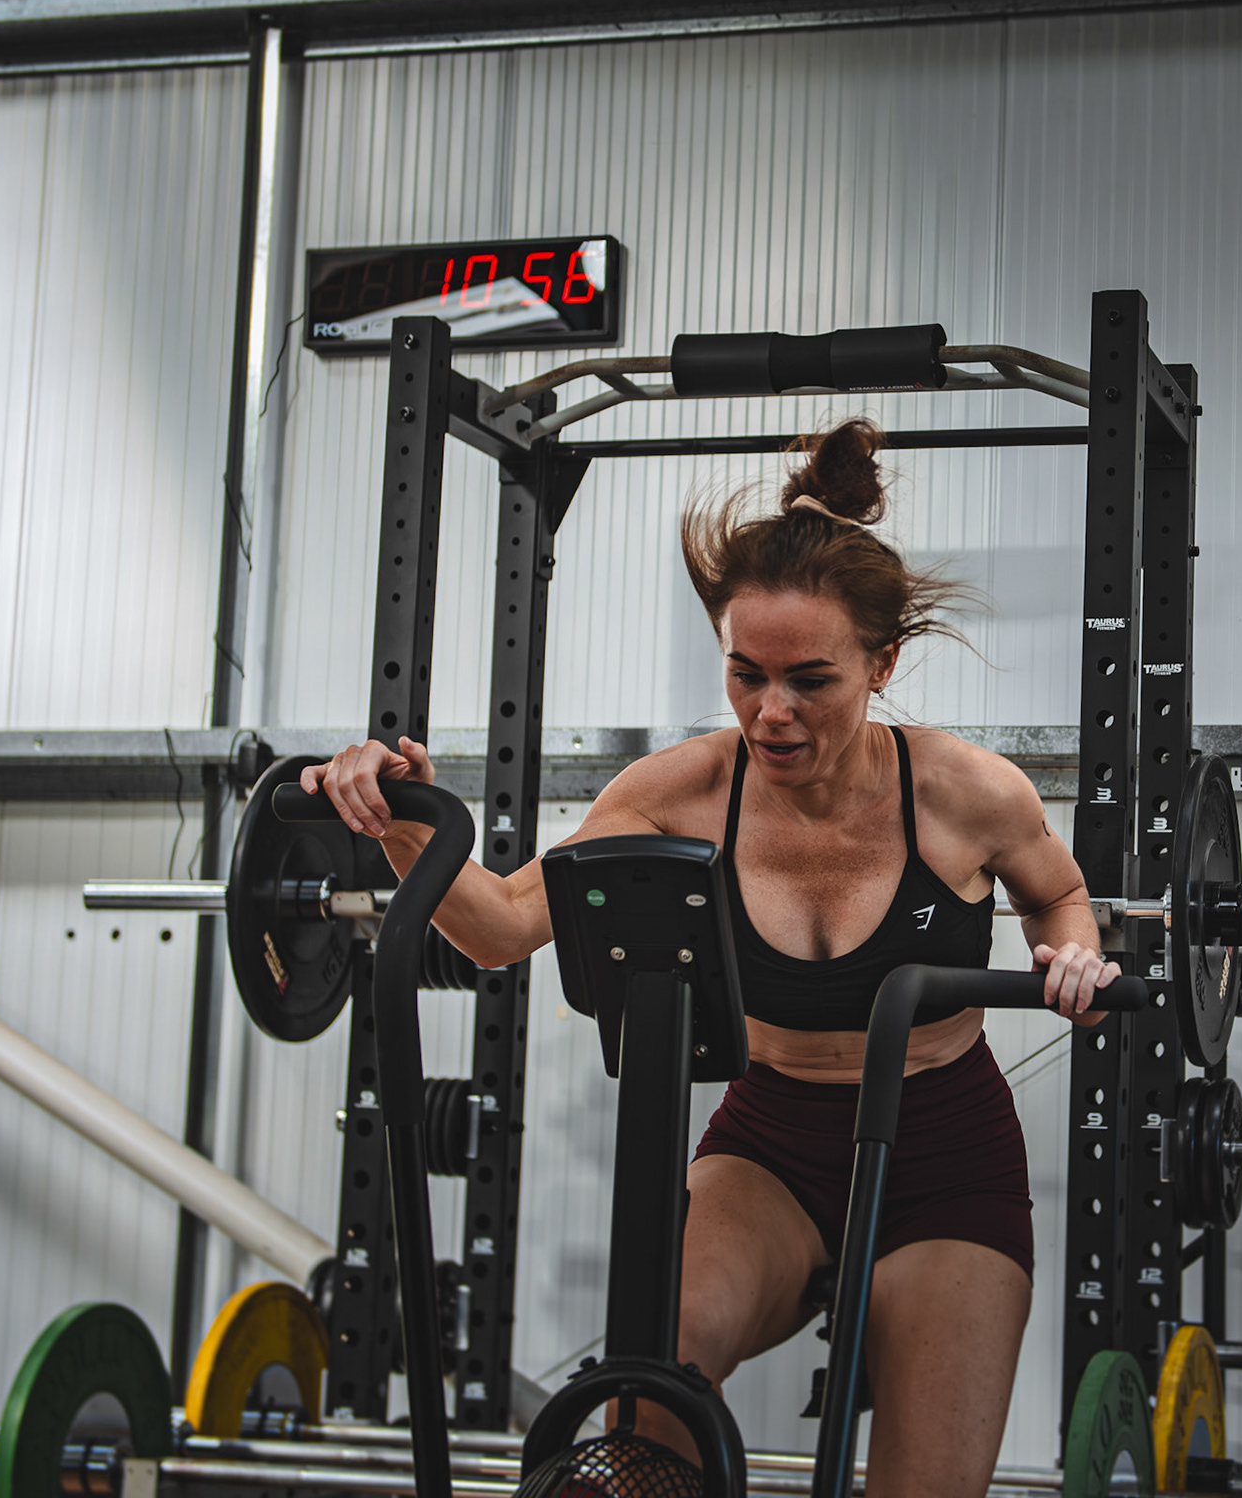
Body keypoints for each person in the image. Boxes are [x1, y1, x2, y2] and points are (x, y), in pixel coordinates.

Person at [304, 418, 1121, 1498]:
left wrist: (1072, 961)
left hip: (947, 1153)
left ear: (881, 664)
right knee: (654, 1376)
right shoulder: (679, 793)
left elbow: (1058, 895)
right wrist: (401, 817)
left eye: (811, 681)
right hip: (770, 1146)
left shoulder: (965, 792)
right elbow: (498, 926)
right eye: (746, 674)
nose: (771, 714)